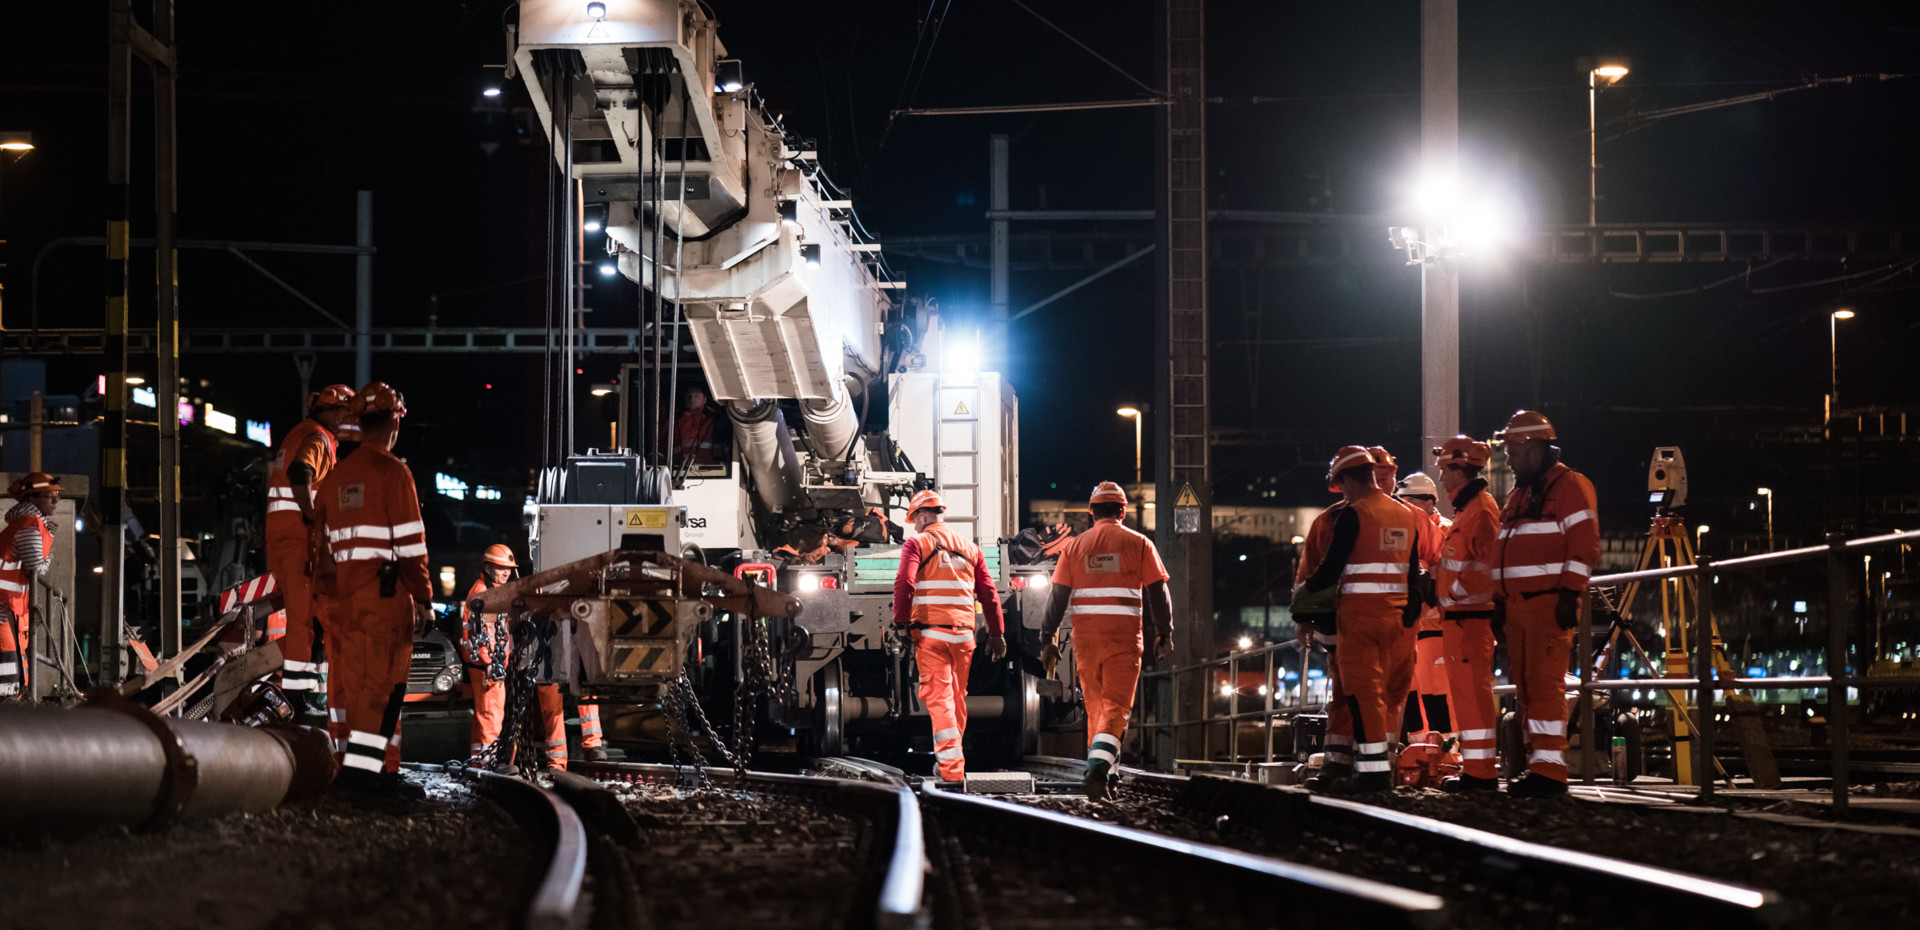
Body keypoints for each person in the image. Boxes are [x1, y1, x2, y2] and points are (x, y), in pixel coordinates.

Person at [312, 382, 431, 798]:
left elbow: (321, 553)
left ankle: (363, 773)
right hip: (386, 598)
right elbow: (412, 546)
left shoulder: (336, 478)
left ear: (359, 424)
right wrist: (425, 599)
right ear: (396, 420)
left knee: (357, 687)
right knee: (383, 689)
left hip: (344, 601)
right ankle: (365, 780)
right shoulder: (392, 472)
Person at [1298, 447, 1424, 792]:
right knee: (1385, 693)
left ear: (1349, 480)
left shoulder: (1352, 515)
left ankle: (1372, 772)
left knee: (1361, 692)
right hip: (1397, 620)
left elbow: (1327, 570)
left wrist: (1301, 599)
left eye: (1342, 485)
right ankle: (1371, 764)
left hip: (1358, 620)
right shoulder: (1406, 514)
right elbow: (1413, 572)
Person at [1039, 482, 1172, 801]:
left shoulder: (1074, 547)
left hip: (1085, 640)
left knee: (1098, 708)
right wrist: (1164, 631)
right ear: (1123, 512)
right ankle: (1098, 768)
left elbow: (1056, 598)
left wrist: (1047, 638)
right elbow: (1157, 591)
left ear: (1091, 512)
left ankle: (1107, 778)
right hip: (1124, 639)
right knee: (1117, 706)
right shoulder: (1139, 543)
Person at [1492, 410, 1599, 798]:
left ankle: (1550, 773)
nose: (1508, 458)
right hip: (1520, 609)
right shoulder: (1520, 492)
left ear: (1536, 449)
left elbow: (1584, 544)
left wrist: (1570, 593)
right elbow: (1503, 555)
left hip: (1547, 605)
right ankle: (1539, 767)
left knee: (1544, 687)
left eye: (1512, 450)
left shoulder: (1570, 486)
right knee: (1527, 690)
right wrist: (1500, 603)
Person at [891, 489, 1006, 782]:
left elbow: (904, 582)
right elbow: (989, 595)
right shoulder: (970, 547)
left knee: (940, 700)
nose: (914, 525)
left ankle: (952, 771)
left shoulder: (917, 543)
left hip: (931, 635)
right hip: (964, 636)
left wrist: (901, 621)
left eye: (914, 518)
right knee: (956, 700)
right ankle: (948, 761)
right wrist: (996, 633)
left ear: (922, 514)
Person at [264, 384, 353, 720]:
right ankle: (296, 697)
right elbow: (300, 473)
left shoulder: (302, 433)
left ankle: (300, 691)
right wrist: (313, 515)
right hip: (297, 539)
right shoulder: (317, 438)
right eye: (343, 412)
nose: (346, 420)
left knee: (310, 619)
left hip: (285, 538)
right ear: (329, 411)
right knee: (303, 621)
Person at [1293, 447, 1368, 790]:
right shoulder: (1331, 520)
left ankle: (1356, 764)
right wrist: (1305, 617)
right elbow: (1311, 570)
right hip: (1347, 622)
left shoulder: (1334, 519)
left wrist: (1304, 613)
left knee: (1356, 692)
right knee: (1349, 692)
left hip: (1353, 621)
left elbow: (1312, 574)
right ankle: (1348, 763)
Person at [1431, 435, 1503, 792]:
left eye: (1444, 469)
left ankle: (1481, 773)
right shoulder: (1471, 510)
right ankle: (1477, 768)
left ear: (1460, 469)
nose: (1441, 477)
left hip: (1469, 619)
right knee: (1467, 697)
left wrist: (1451, 596)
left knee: (1473, 697)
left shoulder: (1481, 512)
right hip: (1462, 620)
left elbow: (1483, 569)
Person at [1395, 472, 1453, 736]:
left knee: (1438, 696)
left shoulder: (1445, 529)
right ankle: (1420, 754)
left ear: (1429, 502)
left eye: (1408, 501)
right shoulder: (1403, 530)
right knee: (1411, 699)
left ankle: (1448, 754)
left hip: (1436, 628)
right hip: (1411, 628)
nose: (1402, 506)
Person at [0, 473, 62, 699]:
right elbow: (36, 566)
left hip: (12, 608)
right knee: (7, 667)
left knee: (14, 664)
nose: (55, 501)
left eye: (57, 496)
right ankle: (8, 715)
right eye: (50, 496)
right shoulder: (29, 524)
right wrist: (48, 559)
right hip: (5, 607)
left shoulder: (28, 523)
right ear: (32, 498)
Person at [462, 544, 518, 770]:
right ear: (488, 567)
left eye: (508, 569)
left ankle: (480, 763)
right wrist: (488, 662)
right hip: (487, 666)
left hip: (486, 665)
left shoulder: (488, 590)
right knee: (491, 715)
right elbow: (481, 633)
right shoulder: (484, 594)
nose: (506, 573)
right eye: (500, 568)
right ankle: (490, 766)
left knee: (484, 715)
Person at [671, 388, 726, 467]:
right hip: (679, 470)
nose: (692, 399)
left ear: (704, 400)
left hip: (712, 471)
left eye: (696, 396)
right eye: (688, 396)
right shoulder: (674, 420)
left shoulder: (716, 420)